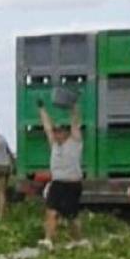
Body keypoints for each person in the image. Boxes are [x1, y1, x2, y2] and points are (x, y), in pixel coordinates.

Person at [38, 99, 83, 247]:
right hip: (57, 183)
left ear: (66, 133)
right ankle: (48, 240)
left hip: (72, 184)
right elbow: (47, 127)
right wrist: (42, 108)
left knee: (72, 217)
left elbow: (75, 122)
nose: (56, 134)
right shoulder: (54, 144)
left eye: (59, 132)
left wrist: (73, 107)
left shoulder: (75, 142)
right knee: (51, 211)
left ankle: (78, 240)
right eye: (56, 132)